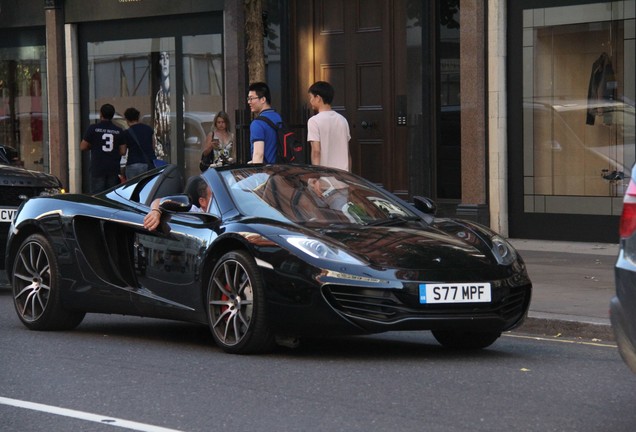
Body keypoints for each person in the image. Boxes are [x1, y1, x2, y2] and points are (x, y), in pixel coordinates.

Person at [307, 81, 351, 171]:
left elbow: (316, 151)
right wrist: (349, 175)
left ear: (318, 98)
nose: (310, 101)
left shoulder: (314, 121)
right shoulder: (342, 120)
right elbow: (347, 153)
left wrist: (316, 176)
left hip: (325, 177)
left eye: (311, 97)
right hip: (343, 176)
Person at [80, 103, 125, 193]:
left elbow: (83, 146)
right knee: (111, 196)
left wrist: (94, 146)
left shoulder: (93, 128)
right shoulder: (119, 130)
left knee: (98, 197)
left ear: (101, 114)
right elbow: (123, 151)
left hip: (97, 168)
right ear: (112, 115)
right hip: (113, 168)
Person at [143, 176, 212, 231]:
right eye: (213, 197)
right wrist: (156, 211)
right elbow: (159, 201)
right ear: (202, 201)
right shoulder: (193, 212)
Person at [247, 82, 281, 164]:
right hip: (280, 170)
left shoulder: (257, 123)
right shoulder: (278, 117)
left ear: (263, 99)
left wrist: (256, 174)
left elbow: (258, 154)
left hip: (266, 173)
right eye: (248, 98)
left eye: (251, 98)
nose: (249, 102)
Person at [121, 107, 156, 180]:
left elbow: (123, 151)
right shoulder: (148, 129)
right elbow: (153, 146)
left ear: (127, 119)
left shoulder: (126, 133)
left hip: (133, 163)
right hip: (148, 163)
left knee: (132, 188)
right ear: (138, 117)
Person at [154, 50, 171, 159]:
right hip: (163, 154)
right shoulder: (159, 96)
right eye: (162, 57)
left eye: (167, 57)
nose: (164, 61)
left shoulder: (178, 95)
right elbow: (157, 129)